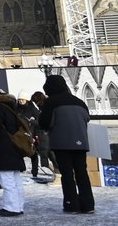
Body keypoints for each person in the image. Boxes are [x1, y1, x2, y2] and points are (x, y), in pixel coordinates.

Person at [38, 74, 94, 213]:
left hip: (61, 143)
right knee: (82, 173)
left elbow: (44, 122)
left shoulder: (51, 102)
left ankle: (71, 204)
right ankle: (88, 205)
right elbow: (87, 118)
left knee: (67, 174)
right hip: (81, 143)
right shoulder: (79, 102)